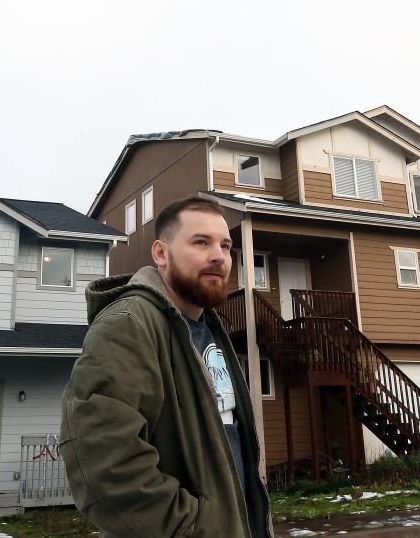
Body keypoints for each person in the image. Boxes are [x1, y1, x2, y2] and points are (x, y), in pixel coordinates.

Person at [60, 195, 273, 538]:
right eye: (201, 242)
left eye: (226, 245)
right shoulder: (129, 324)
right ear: (161, 253)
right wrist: (193, 528)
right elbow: (104, 462)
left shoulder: (208, 331)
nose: (219, 255)